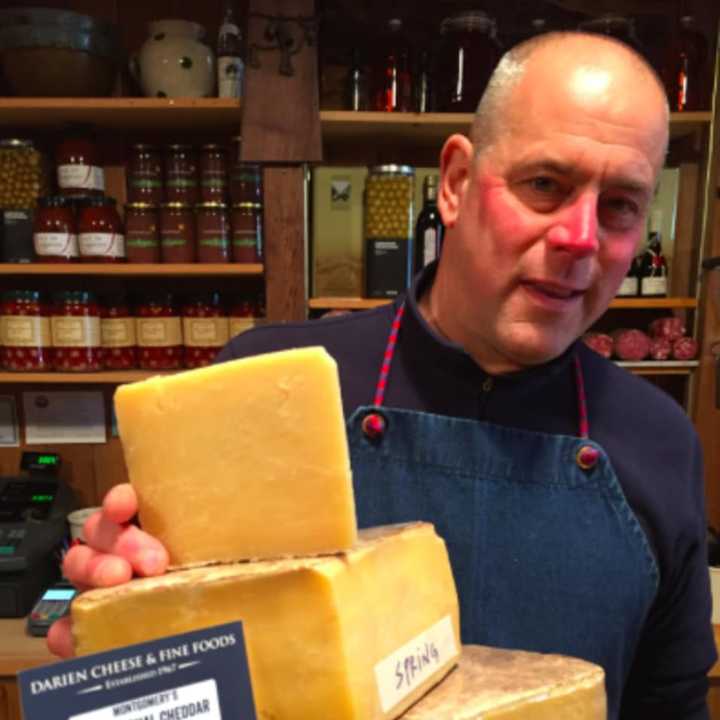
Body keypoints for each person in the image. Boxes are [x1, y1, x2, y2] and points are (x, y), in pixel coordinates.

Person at [48, 31, 716, 719]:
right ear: (455, 184)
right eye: (545, 185)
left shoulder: (660, 441)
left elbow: (670, 707)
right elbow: (180, 670)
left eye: (620, 206)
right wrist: (127, 645)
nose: (580, 237)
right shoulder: (265, 388)